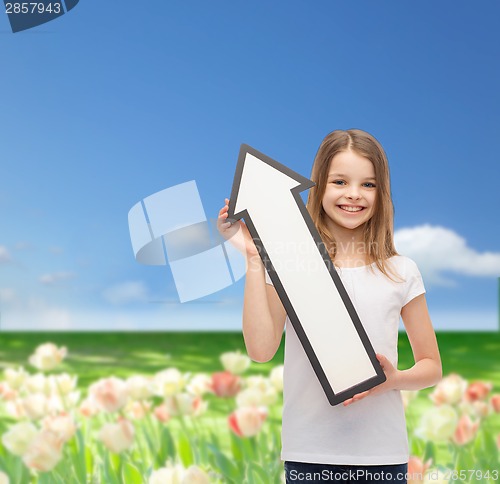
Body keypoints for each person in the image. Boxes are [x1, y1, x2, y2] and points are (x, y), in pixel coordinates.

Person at [217, 129, 442, 483]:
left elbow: (431, 367)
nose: (353, 194)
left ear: (382, 194)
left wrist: (393, 380)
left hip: (382, 456)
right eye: (340, 181)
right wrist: (255, 258)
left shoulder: (402, 271)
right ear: (319, 186)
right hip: (309, 455)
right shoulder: (291, 264)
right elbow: (261, 350)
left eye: (368, 185)